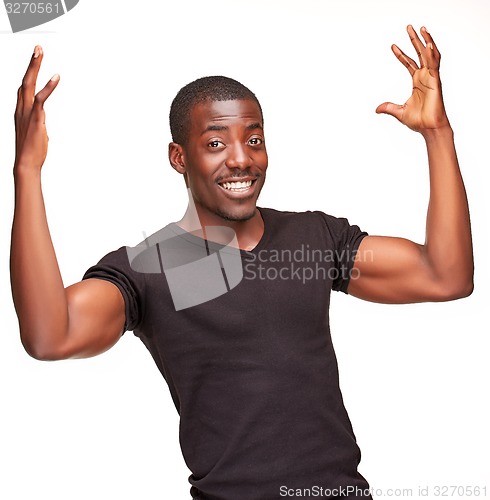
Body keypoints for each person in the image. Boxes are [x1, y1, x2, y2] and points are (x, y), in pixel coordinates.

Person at [10, 25, 473, 499]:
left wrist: (437, 133)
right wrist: (27, 171)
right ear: (178, 157)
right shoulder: (149, 269)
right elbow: (51, 335)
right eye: (215, 144)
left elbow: (446, 275)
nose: (240, 160)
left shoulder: (313, 239)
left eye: (253, 140)